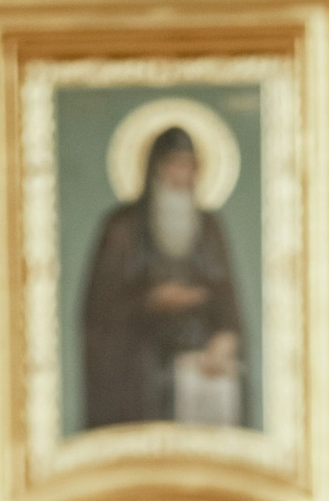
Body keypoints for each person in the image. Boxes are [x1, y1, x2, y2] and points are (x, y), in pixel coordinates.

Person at [78, 126, 250, 431]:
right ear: (156, 169)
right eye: (175, 165)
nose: (183, 176)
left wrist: (226, 337)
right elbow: (100, 308)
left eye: (190, 166)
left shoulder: (209, 228)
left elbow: (226, 298)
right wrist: (151, 299)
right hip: (139, 376)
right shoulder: (121, 227)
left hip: (197, 370)